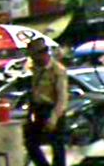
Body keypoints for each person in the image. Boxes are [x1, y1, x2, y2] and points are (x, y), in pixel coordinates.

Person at [23, 37, 68, 166]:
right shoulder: (36, 68)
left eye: (34, 56)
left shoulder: (57, 70)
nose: (33, 59)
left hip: (52, 109)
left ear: (43, 53)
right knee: (30, 142)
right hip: (38, 109)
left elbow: (62, 98)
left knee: (57, 146)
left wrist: (53, 118)